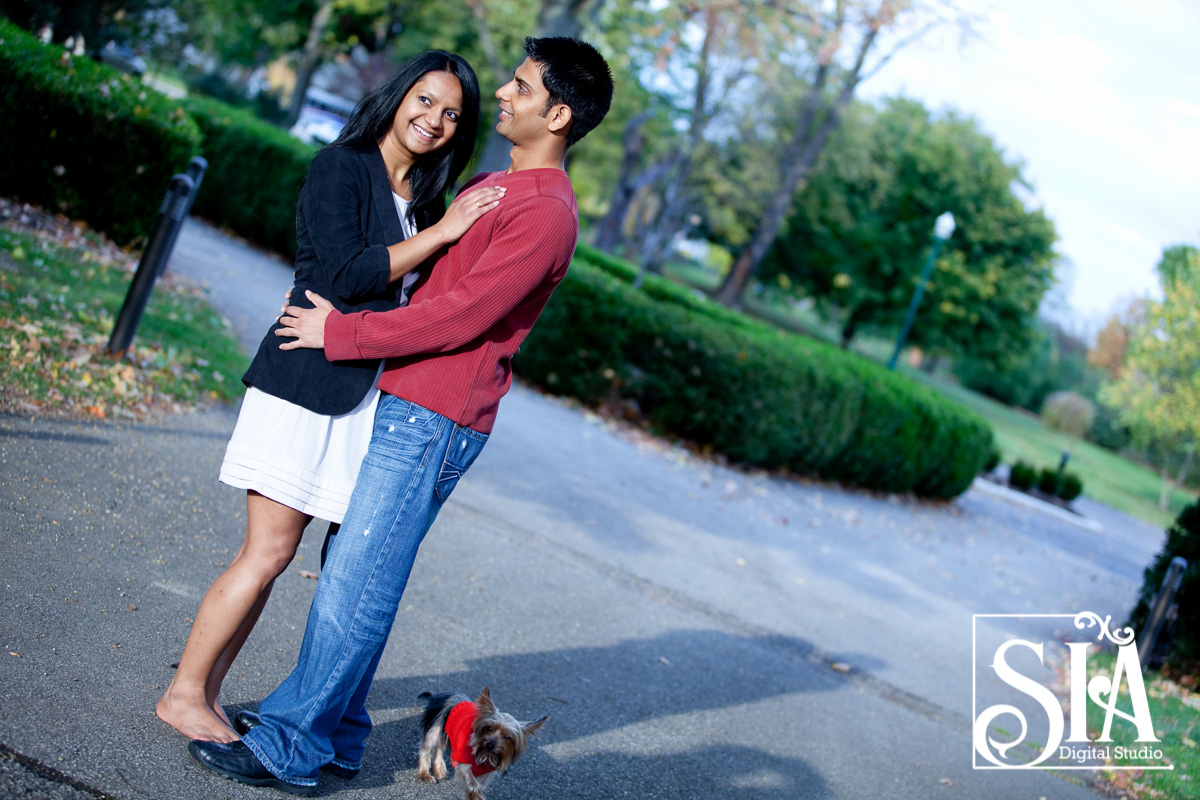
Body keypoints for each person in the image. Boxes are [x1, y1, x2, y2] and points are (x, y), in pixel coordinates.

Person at [186, 36, 614, 795]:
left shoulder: (547, 213)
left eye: (519, 87)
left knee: (356, 585)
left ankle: (290, 744)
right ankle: (341, 735)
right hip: (403, 402)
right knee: (361, 576)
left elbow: (456, 318)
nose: (502, 98)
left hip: (434, 417)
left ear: (558, 112)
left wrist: (341, 333)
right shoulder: (495, 185)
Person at [155, 51, 499, 744]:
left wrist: (441, 231)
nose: (434, 119)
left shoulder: (425, 202)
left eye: (452, 114)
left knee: (280, 561)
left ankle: (209, 696)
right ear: (399, 96)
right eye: (425, 100)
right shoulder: (340, 168)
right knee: (265, 553)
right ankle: (182, 692)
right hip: (305, 386)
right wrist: (442, 235)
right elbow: (345, 271)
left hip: (364, 401)